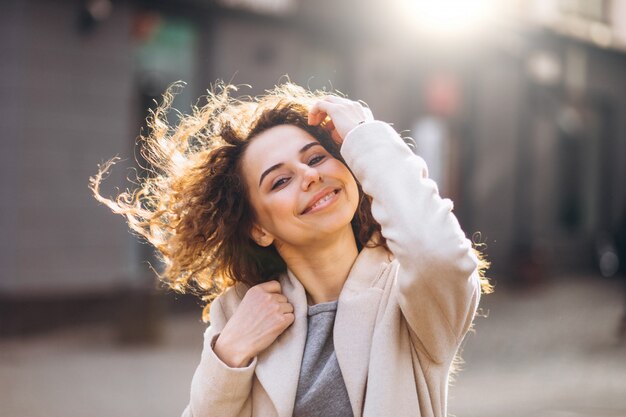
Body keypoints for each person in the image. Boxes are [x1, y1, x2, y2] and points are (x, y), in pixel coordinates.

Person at [90, 81, 490, 417]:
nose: (310, 175)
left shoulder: (412, 296)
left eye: (316, 157)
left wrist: (366, 137)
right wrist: (229, 353)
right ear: (259, 229)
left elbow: (438, 252)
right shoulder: (241, 312)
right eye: (279, 181)